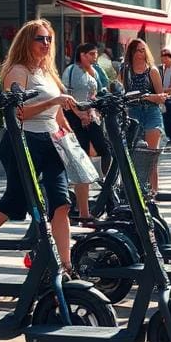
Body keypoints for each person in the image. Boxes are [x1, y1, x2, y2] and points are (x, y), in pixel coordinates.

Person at [0, 20, 79, 272]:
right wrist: (55, 101)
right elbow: (17, 113)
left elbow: (57, 112)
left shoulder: (48, 72)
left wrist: (70, 133)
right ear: (26, 42)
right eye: (40, 39)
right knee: (16, 200)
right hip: (23, 140)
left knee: (61, 203)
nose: (46, 44)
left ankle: (67, 265)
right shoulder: (18, 72)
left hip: (51, 142)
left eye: (49, 39)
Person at [63, 43, 112, 221]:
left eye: (96, 54)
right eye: (91, 54)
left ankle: (106, 185)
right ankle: (81, 204)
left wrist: (93, 111)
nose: (94, 57)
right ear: (81, 55)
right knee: (81, 156)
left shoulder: (93, 70)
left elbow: (98, 92)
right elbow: (67, 96)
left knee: (105, 150)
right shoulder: (71, 71)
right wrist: (79, 113)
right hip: (76, 117)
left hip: (91, 117)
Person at [119, 38, 168, 192]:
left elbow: (161, 96)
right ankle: (134, 191)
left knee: (151, 155)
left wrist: (146, 97)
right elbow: (120, 93)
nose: (141, 53)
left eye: (143, 50)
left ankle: (154, 192)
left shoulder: (151, 70)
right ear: (131, 52)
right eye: (137, 50)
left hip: (151, 112)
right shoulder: (125, 70)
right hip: (133, 114)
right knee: (134, 154)